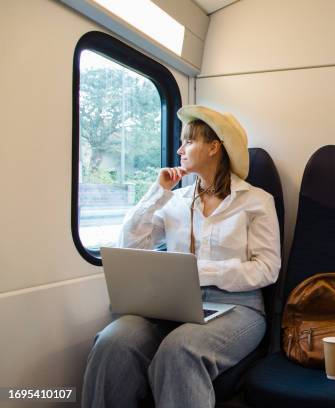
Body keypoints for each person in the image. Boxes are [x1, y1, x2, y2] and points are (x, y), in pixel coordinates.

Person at [82, 106, 281, 408]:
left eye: (188, 141)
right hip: (173, 304)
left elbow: (267, 269)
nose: (179, 150)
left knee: (180, 349)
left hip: (238, 308)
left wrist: (199, 272)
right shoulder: (176, 200)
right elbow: (130, 243)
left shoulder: (256, 201)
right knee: (114, 341)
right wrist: (159, 191)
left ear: (214, 147)